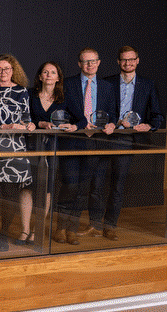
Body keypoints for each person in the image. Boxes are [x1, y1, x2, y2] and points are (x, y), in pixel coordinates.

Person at [93, 46, 163, 240]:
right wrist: (111, 122)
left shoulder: (147, 85)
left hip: (126, 140)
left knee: (117, 185)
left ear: (137, 60)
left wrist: (149, 125)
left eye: (131, 60)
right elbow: (99, 112)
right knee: (97, 184)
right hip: (105, 137)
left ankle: (110, 225)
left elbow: (158, 115)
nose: (128, 63)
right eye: (124, 60)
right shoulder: (107, 83)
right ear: (118, 61)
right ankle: (95, 224)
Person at [54, 47, 116, 245]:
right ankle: (60, 227)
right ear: (79, 64)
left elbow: (112, 113)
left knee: (82, 188)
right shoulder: (67, 84)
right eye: (85, 61)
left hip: (94, 142)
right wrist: (79, 124)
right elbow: (61, 112)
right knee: (70, 185)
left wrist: (112, 123)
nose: (90, 65)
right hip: (72, 141)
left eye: (93, 61)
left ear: (99, 63)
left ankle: (71, 229)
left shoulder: (107, 87)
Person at [0, 54, 36, 252]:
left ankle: (3, 236)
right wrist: (2, 125)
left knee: (11, 195)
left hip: (15, 148)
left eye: (7, 69)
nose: (3, 72)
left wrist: (28, 125)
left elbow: (27, 118)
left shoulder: (22, 92)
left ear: (14, 70)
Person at [28, 61, 73, 243]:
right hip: (31, 146)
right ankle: (25, 229)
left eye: (52, 72)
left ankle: (35, 230)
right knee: (29, 188)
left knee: (46, 190)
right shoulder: (30, 94)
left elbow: (81, 119)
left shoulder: (64, 98)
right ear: (40, 76)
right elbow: (25, 116)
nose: (48, 75)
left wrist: (74, 125)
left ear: (58, 77)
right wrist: (40, 124)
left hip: (53, 148)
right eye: (45, 72)